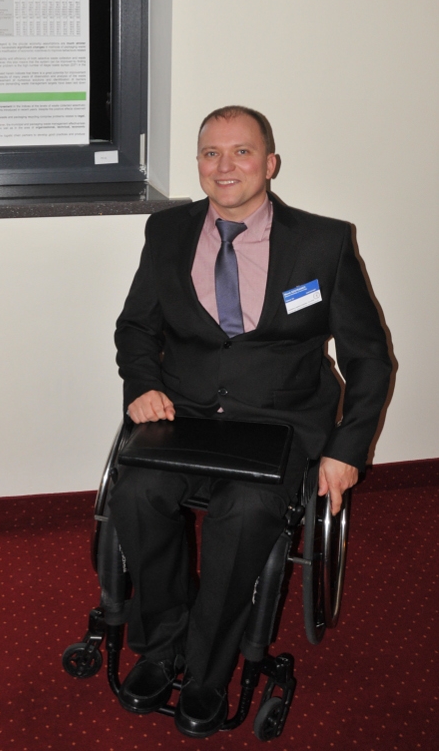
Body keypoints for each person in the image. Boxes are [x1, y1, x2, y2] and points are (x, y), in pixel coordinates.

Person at [109, 106, 391, 738]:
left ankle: (209, 670)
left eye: (241, 152)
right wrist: (143, 384)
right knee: (136, 494)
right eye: (211, 153)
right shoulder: (168, 231)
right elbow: (136, 327)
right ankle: (161, 647)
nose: (225, 166)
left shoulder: (322, 242)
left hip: (279, 426)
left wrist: (347, 449)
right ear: (198, 164)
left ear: (270, 163)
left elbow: (369, 357)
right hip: (184, 416)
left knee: (244, 513)